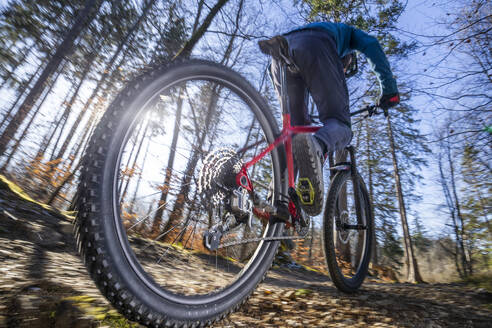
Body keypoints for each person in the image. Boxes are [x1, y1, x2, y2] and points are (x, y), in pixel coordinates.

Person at [263, 22, 400, 216]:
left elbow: (273, 73)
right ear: (345, 59)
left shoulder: (321, 28)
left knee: (296, 133)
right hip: (316, 45)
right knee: (341, 125)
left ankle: (277, 202)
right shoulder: (347, 34)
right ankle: (318, 147)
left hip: (280, 55)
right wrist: (389, 90)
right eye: (345, 67)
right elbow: (371, 44)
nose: (342, 71)